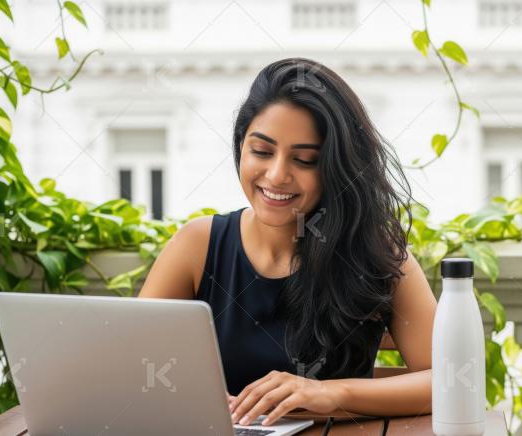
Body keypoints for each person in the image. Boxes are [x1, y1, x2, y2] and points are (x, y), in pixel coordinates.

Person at [139, 57, 436, 426]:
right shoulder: (197, 245)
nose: (277, 175)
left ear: (336, 167)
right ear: (241, 147)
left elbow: (451, 381)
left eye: (305, 160)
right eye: (261, 152)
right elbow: (133, 368)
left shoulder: (376, 255)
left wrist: (331, 393)